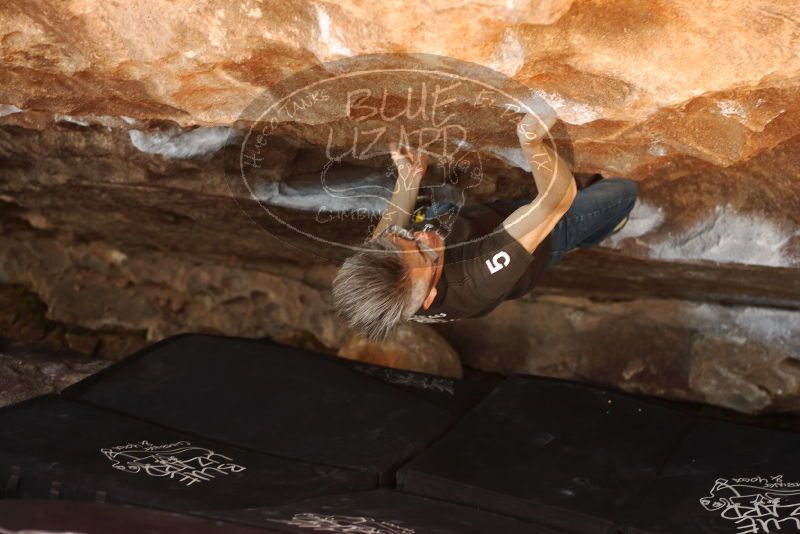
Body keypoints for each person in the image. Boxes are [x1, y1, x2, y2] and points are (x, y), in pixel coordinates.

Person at [332, 113, 637, 341]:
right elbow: (555, 200)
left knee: (423, 223)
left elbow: (388, 233)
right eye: (423, 251)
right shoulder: (478, 277)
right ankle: (597, 232)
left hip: (478, 225)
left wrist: (409, 177)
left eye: (404, 238)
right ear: (427, 298)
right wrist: (531, 141)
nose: (421, 235)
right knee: (622, 193)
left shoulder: (392, 284)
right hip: (545, 241)